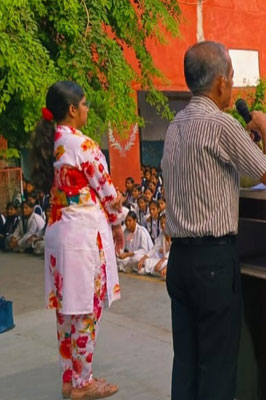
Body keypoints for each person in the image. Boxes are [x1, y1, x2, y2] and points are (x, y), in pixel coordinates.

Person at [161, 41, 266, 400]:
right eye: (231, 76)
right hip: (212, 263)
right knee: (217, 364)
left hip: (180, 261)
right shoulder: (221, 124)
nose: (232, 84)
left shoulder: (175, 125)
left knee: (186, 361)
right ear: (219, 83)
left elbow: (218, 175)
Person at [34, 81, 126, 398]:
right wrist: (118, 220)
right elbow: (107, 190)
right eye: (84, 104)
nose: (87, 109)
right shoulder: (81, 144)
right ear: (72, 110)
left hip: (59, 234)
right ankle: (83, 382)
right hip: (83, 237)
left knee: (66, 310)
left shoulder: (50, 143)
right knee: (87, 307)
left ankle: (68, 377)